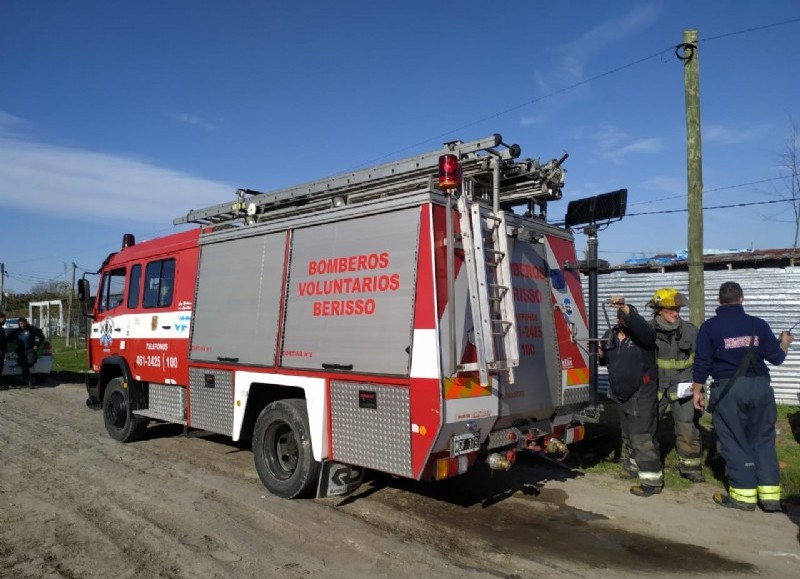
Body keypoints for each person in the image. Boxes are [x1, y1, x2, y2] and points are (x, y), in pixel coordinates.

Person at [692, 281, 793, 512]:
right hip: (760, 388)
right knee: (764, 439)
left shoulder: (710, 327)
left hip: (729, 389)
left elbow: (702, 364)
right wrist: (785, 343)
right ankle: (770, 498)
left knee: (735, 439)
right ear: (742, 299)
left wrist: (697, 391)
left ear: (718, 301)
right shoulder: (758, 325)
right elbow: (777, 358)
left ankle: (743, 496)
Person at [600, 295, 664, 497]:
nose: (625, 321)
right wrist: (601, 353)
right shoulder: (610, 335)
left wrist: (626, 308)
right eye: (623, 317)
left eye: (628, 317)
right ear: (618, 320)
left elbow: (642, 329)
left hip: (641, 393)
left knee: (642, 436)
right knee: (628, 434)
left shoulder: (643, 336)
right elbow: (605, 361)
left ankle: (652, 481)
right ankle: (632, 466)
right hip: (621, 394)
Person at [646, 288, 704, 483]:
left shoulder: (690, 331)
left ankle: (691, 468)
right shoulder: (647, 331)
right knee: (647, 427)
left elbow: (700, 362)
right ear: (658, 310)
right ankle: (643, 464)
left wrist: (699, 389)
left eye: (678, 309)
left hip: (683, 389)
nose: (676, 313)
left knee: (687, 427)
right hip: (656, 389)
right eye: (671, 309)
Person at [7, 317, 46, 388]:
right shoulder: (16, 331)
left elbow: (41, 337)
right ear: (19, 324)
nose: (22, 325)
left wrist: (37, 345)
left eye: (23, 323)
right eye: (20, 324)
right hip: (21, 350)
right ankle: (29, 382)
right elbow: (8, 338)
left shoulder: (31, 329)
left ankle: (24, 372)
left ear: (26, 323)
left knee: (31, 361)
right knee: (25, 365)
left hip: (30, 349)